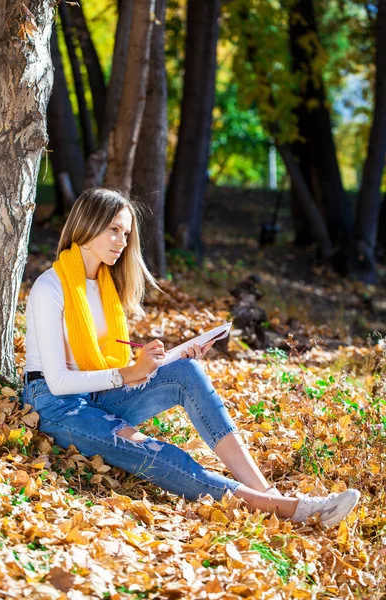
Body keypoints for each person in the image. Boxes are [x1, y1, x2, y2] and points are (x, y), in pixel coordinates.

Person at [22, 188, 360, 529]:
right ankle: (285, 508)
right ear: (87, 226)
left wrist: (167, 359)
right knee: (153, 450)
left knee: (186, 370)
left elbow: (109, 366)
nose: (122, 240)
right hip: (56, 405)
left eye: (126, 233)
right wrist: (127, 373)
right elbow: (58, 381)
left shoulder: (106, 285)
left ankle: (266, 489)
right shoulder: (50, 287)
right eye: (113, 229)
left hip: (98, 394)